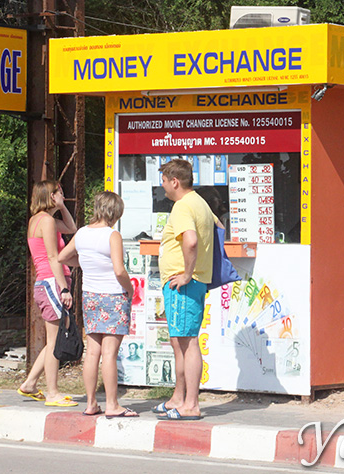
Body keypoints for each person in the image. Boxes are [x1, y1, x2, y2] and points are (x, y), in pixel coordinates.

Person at [58, 191, 137, 418]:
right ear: (115, 212)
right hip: (113, 295)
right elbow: (119, 270)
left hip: (90, 296)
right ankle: (112, 404)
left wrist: (85, 263)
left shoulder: (82, 233)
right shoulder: (113, 235)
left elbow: (62, 257)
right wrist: (129, 289)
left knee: (92, 352)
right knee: (110, 354)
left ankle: (91, 403)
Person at [152, 159, 217, 421]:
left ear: (174, 181)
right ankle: (179, 397)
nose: (163, 187)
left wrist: (188, 273)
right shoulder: (200, 202)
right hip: (191, 282)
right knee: (179, 342)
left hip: (185, 284)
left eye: (164, 182)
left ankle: (191, 404)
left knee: (188, 342)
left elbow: (190, 241)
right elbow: (218, 228)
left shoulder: (182, 206)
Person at [18, 180, 78, 407]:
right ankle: (52, 393)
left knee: (52, 339)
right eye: (59, 193)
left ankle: (30, 384)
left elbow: (71, 228)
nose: (62, 194)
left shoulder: (40, 220)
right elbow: (53, 257)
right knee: (55, 341)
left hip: (45, 282)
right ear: (50, 196)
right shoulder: (47, 222)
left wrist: (62, 207)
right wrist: (64, 288)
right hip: (53, 281)